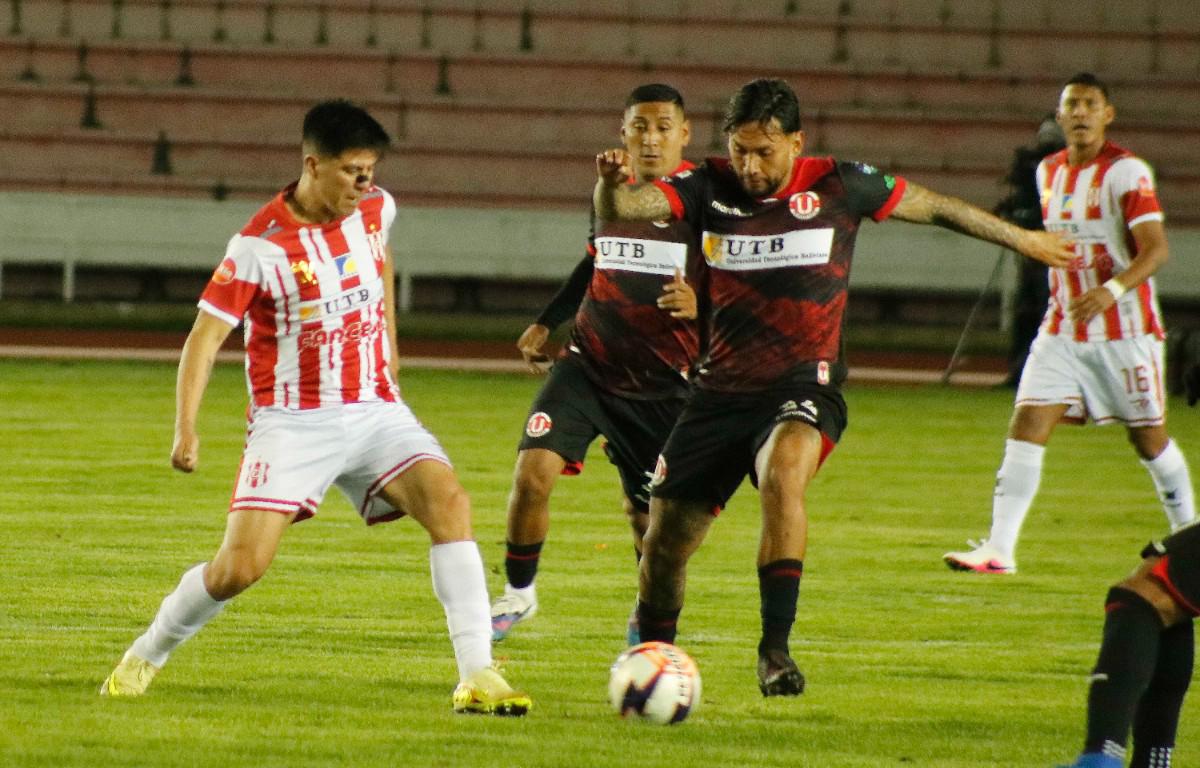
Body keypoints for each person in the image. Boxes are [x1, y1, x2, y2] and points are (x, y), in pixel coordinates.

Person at [592, 77, 1074, 695]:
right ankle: (655, 661)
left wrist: (1024, 239)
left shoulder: (840, 184)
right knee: (663, 545)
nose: (750, 165)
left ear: (797, 141)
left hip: (803, 385)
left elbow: (937, 207)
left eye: (764, 152)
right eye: (739, 150)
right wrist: (610, 182)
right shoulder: (706, 184)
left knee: (783, 474)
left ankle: (775, 651)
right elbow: (628, 209)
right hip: (717, 393)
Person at [98, 100, 530, 716]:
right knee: (239, 569)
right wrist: (185, 429)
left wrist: (392, 351)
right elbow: (204, 336)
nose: (365, 183)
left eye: (370, 171)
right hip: (294, 423)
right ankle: (146, 653)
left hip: (375, 407)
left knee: (450, 504)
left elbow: (379, 261)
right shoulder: (258, 247)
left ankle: (478, 674)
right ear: (312, 165)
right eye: (353, 170)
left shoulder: (376, 210)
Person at [945, 73, 1195, 576]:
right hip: (1062, 329)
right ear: (1060, 118)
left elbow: (1156, 249)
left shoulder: (1127, 172)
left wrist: (1110, 290)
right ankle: (999, 548)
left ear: (1108, 114)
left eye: (1089, 104)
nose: (1080, 113)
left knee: (1148, 439)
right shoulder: (1048, 172)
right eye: (1071, 105)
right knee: (1027, 424)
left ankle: (1191, 535)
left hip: (1125, 331)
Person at [490, 83, 701, 644]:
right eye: (640, 127)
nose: (650, 139)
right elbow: (595, 260)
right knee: (533, 473)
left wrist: (702, 304)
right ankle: (517, 595)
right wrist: (547, 319)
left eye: (663, 127)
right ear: (623, 131)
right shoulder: (610, 192)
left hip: (662, 384)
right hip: (588, 365)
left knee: (646, 519)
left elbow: (743, 285)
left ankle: (647, 619)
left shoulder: (705, 199)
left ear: (685, 133)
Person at [996, 114, 1067, 387]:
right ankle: (1019, 372)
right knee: (1027, 313)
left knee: (1043, 314)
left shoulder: (1066, 172)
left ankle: (1040, 375)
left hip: (1053, 256)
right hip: (1031, 254)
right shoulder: (1033, 170)